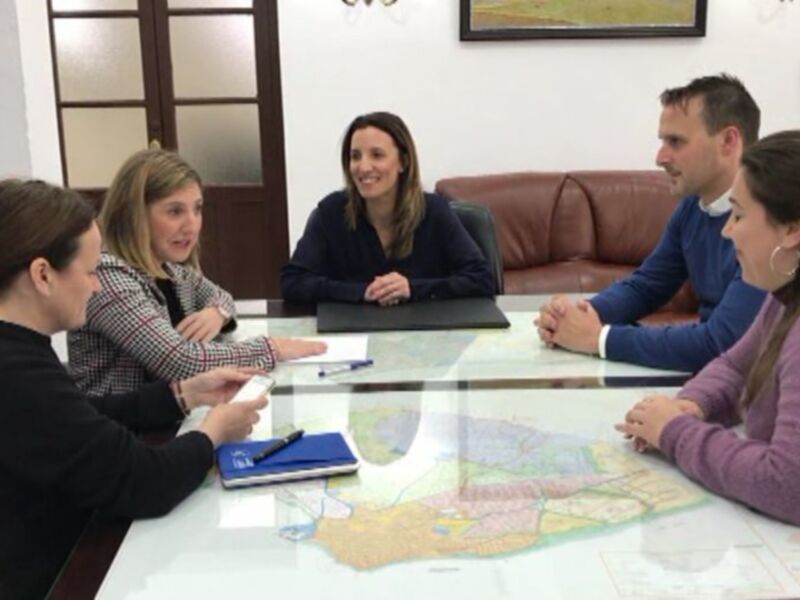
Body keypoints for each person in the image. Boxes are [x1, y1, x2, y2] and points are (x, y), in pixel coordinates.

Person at [0, 179, 269, 599]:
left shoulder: (20, 352)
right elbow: (144, 481)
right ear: (42, 274)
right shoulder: (17, 372)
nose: (96, 286)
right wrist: (215, 431)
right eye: (89, 272)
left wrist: (184, 394)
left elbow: (79, 414)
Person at [616, 130, 800, 525]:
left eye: (739, 215)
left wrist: (676, 432)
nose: (727, 230)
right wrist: (693, 405)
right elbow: (736, 367)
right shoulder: (783, 296)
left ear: (791, 230)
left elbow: (787, 483)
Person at [535, 74, 766, 372]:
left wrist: (599, 338)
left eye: (676, 142)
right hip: (718, 381)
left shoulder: (770, 220)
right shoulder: (692, 208)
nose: (660, 157)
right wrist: (578, 315)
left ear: (728, 141)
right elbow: (648, 286)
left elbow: (720, 342)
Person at [68, 149, 325, 396]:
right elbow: (178, 360)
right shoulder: (108, 277)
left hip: (173, 417)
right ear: (134, 215)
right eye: (175, 211)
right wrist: (273, 348)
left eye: (198, 208)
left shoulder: (170, 268)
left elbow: (222, 296)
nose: (191, 225)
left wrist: (217, 313)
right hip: (128, 431)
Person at [280, 111, 495, 304]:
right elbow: (292, 282)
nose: (363, 167)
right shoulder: (331, 212)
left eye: (377, 155)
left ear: (403, 162)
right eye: (355, 156)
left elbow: (482, 278)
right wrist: (361, 292)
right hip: (353, 335)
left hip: (423, 334)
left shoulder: (433, 211)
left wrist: (412, 288)